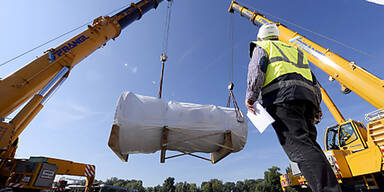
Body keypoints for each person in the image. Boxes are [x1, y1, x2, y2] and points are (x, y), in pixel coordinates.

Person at [245, 23, 341, 192]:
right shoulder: (294, 51)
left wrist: (251, 98)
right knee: (310, 145)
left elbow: (256, 70)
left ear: (260, 37)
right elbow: (314, 82)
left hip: (282, 99)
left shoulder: (262, 46)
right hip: (307, 100)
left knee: (299, 148)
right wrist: (317, 106)